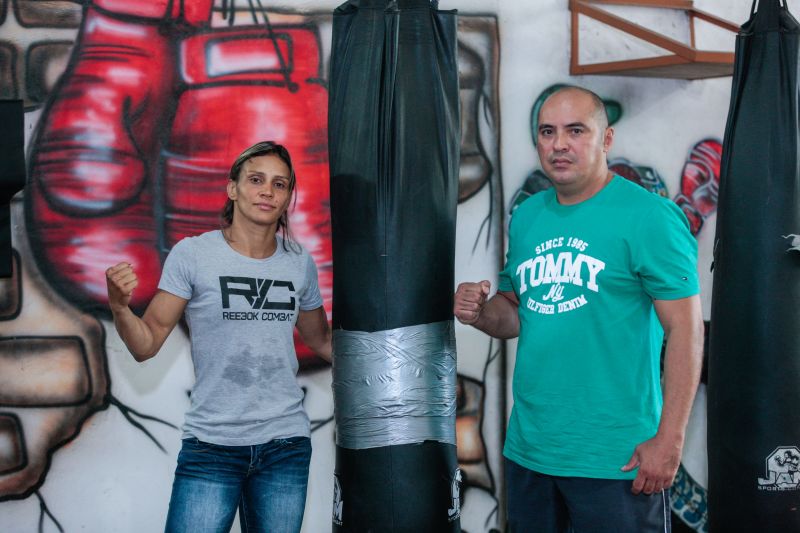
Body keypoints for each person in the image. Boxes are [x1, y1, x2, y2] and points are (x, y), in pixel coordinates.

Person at [454, 86, 703, 532]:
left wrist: (670, 438)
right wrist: (479, 311)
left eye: (575, 130)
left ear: (606, 140)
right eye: (547, 132)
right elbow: (514, 314)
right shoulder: (528, 215)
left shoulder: (650, 217)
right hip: (531, 451)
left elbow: (685, 330)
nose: (559, 144)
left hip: (617, 458)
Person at [105, 141, 331, 533]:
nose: (267, 191)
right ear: (232, 188)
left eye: (280, 185)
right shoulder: (193, 255)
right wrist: (120, 308)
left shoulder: (298, 262)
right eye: (256, 180)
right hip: (212, 447)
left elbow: (323, 341)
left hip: (285, 446)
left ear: (289, 196)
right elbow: (146, 343)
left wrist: (393, 359)